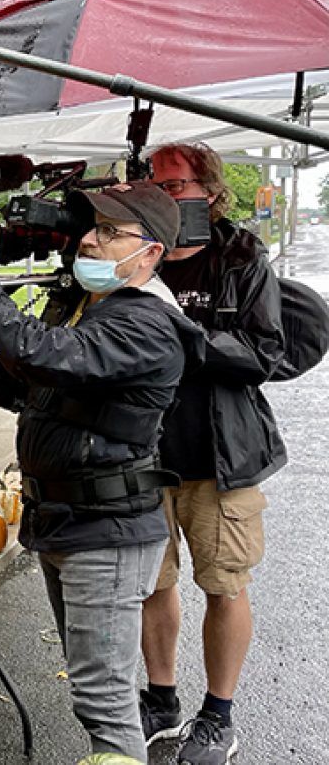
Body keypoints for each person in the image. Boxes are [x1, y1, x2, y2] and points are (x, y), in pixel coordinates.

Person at [0, 184, 204, 763]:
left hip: (106, 532)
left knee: (104, 703)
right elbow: (38, 395)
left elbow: (37, 351)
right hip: (69, 525)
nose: (88, 239)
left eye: (109, 232)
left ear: (150, 254)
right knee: (94, 691)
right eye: (93, 226)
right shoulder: (108, 312)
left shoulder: (146, 324)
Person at [139, 143, 285, 765]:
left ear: (209, 191)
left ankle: (218, 715)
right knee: (153, 583)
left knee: (224, 585)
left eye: (174, 186)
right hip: (144, 455)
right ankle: (163, 698)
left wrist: (185, 334)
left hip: (222, 458)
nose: (162, 196)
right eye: (153, 185)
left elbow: (263, 355)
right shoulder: (135, 252)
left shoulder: (243, 258)